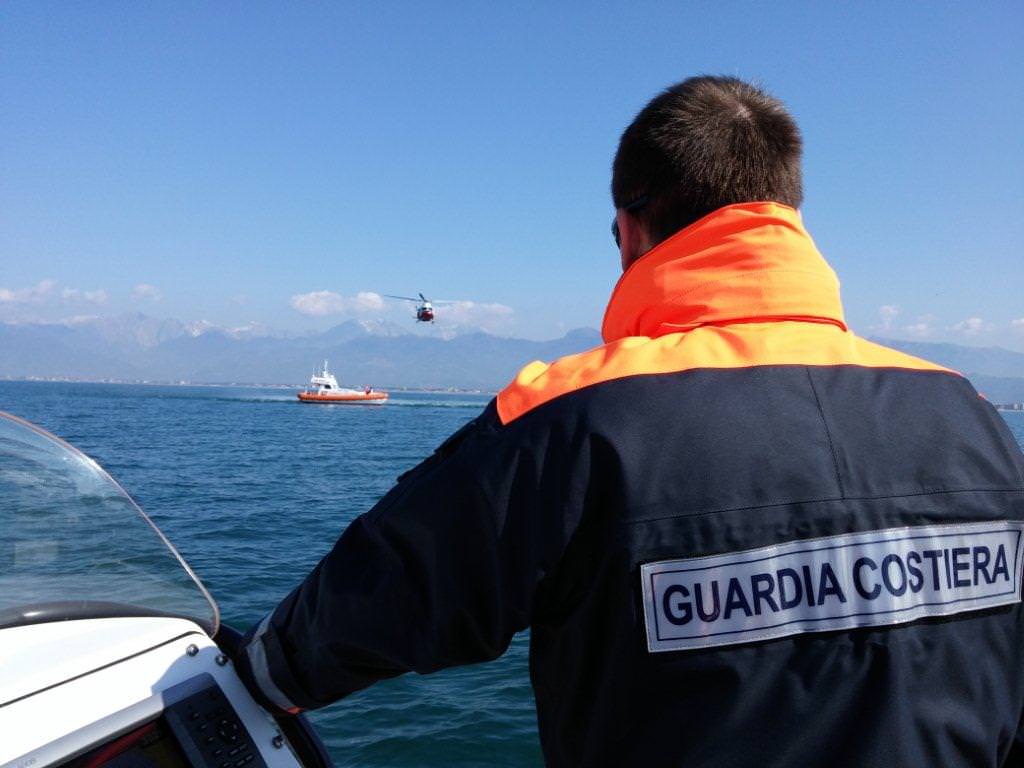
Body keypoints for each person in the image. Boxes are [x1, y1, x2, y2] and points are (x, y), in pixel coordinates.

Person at [236, 76, 1024, 766]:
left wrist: (265, 674)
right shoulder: (972, 416)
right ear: (788, 217)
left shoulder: (572, 416)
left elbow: (391, 585)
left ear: (630, 231)